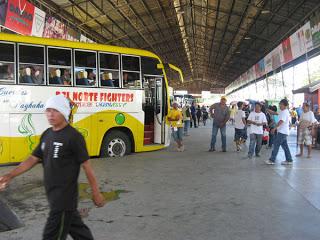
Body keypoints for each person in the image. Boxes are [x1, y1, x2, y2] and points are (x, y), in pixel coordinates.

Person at [0, 95, 105, 239]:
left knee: (51, 236)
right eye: (48, 110)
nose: (50, 114)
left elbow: (87, 167)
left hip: (63, 201)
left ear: (64, 112)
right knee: (80, 233)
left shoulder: (73, 137)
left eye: (55, 110)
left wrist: (96, 193)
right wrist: (10, 175)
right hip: (54, 197)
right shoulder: (47, 134)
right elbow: (32, 159)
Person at [265, 99, 293, 165]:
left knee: (276, 145)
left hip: (282, 132)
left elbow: (281, 121)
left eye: (281, 104)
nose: (279, 106)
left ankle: (272, 160)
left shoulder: (285, 112)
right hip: (282, 132)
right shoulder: (282, 111)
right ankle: (289, 160)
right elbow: (276, 113)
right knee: (285, 146)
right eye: (279, 104)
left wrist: (274, 128)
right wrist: (269, 111)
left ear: (285, 105)